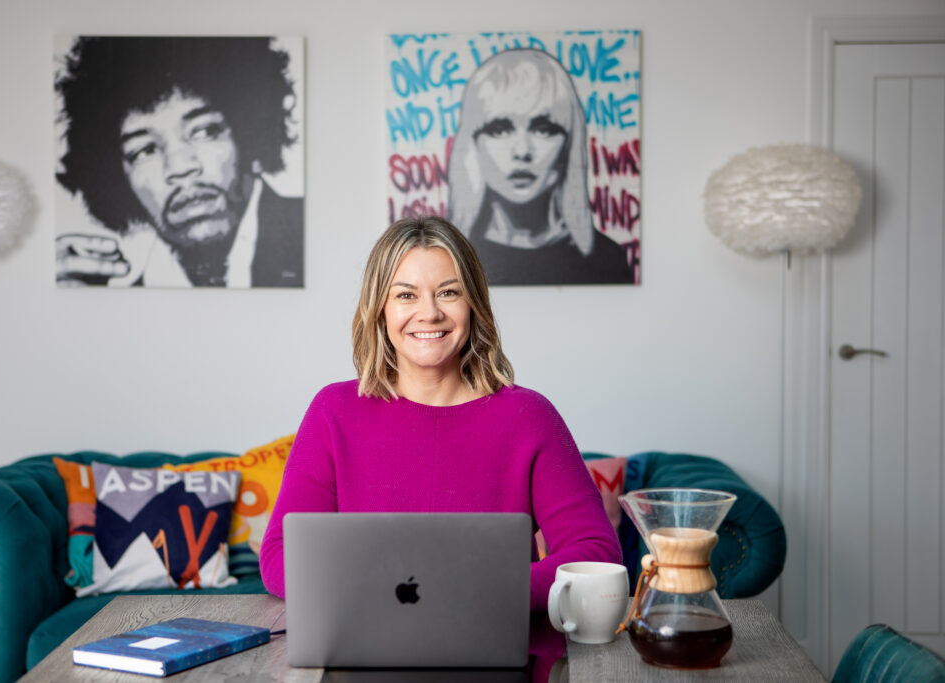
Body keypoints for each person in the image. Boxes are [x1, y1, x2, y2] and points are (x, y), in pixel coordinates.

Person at [259, 215, 620, 615]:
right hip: (363, 648)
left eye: (449, 292)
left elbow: (596, 553)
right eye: (406, 295)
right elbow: (280, 555)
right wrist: (382, 593)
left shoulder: (529, 417)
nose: (429, 313)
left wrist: (485, 592)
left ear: (473, 304)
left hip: (496, 646)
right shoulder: (334, 411)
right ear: (379, 309)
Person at [54, 36, 303, 287]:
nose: (180, 168)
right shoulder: (116, 306)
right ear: (119, 181)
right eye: (144, 150)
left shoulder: (321, 238)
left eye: (205, 132)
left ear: (251, 134)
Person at [448, 49, 633, 285]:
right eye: (500, 130)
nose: (523, 151)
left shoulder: (607, 258)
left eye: (543, 130)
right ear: (473, 142)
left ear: (568, 144)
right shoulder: (450, 262)